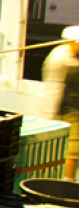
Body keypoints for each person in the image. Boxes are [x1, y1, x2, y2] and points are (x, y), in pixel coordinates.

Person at [42, 25, 79, 180]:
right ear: (70, 41)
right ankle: (67, 184)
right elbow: (54, 90)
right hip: (69, 113)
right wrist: (49, 119)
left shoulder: (75, 56)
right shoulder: (59, 59)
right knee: (72, 151)